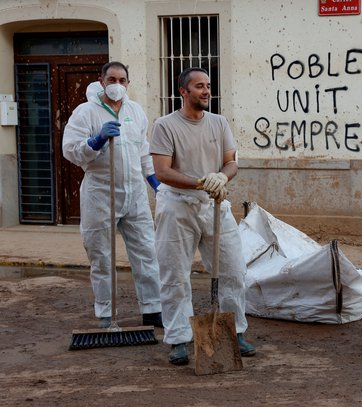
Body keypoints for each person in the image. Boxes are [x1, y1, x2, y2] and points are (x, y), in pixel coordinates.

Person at [150, 67, 255, 365]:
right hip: (177, 206)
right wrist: (199, 183)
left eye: (208, 85)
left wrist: (221, 178)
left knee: (233, 271)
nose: (206, 90)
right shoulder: (165, 125)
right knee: (175, 275)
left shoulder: (219, 123)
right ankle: (179, 338)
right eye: (199, 86)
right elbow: (162, 171)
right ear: (183, 91)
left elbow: (230, 162)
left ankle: (234, 332)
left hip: (215, 204)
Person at [62, 61, 163, 329]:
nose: (117, 85)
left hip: (135, 195)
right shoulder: (86, 113)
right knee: (102, 256)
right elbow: (69, 149)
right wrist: (95, 140)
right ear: (101, 80)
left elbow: (143, 150)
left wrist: (154, 182)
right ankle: (106, 315)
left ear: (128, 83)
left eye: (122, 80)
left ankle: (153, 309)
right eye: (112, 79)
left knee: (146, 252)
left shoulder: (135, 111)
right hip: (100, 194)